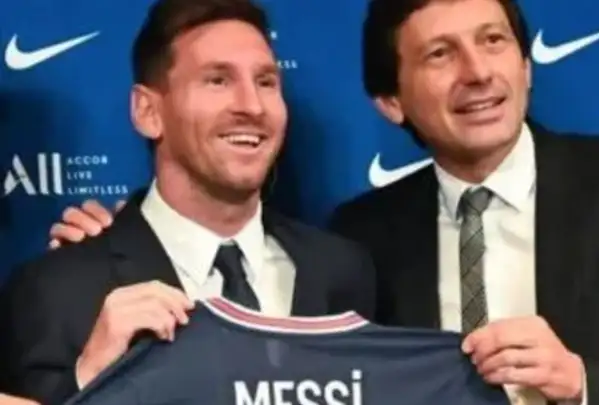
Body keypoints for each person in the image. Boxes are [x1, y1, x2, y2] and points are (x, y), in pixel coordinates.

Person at [42, 0, 599, 404]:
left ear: (526, 64)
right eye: (440, 55)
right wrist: (120, 241)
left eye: (493, 41)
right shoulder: (362, 239)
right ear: (391, 101)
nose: (477, 72)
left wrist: (584, 384)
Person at [0, 0, 375, 403]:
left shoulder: (342, 271)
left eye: (266, 82)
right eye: (217, 80)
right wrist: (89, 381)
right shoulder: (56, 290)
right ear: (148, 112)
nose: (252, 106)